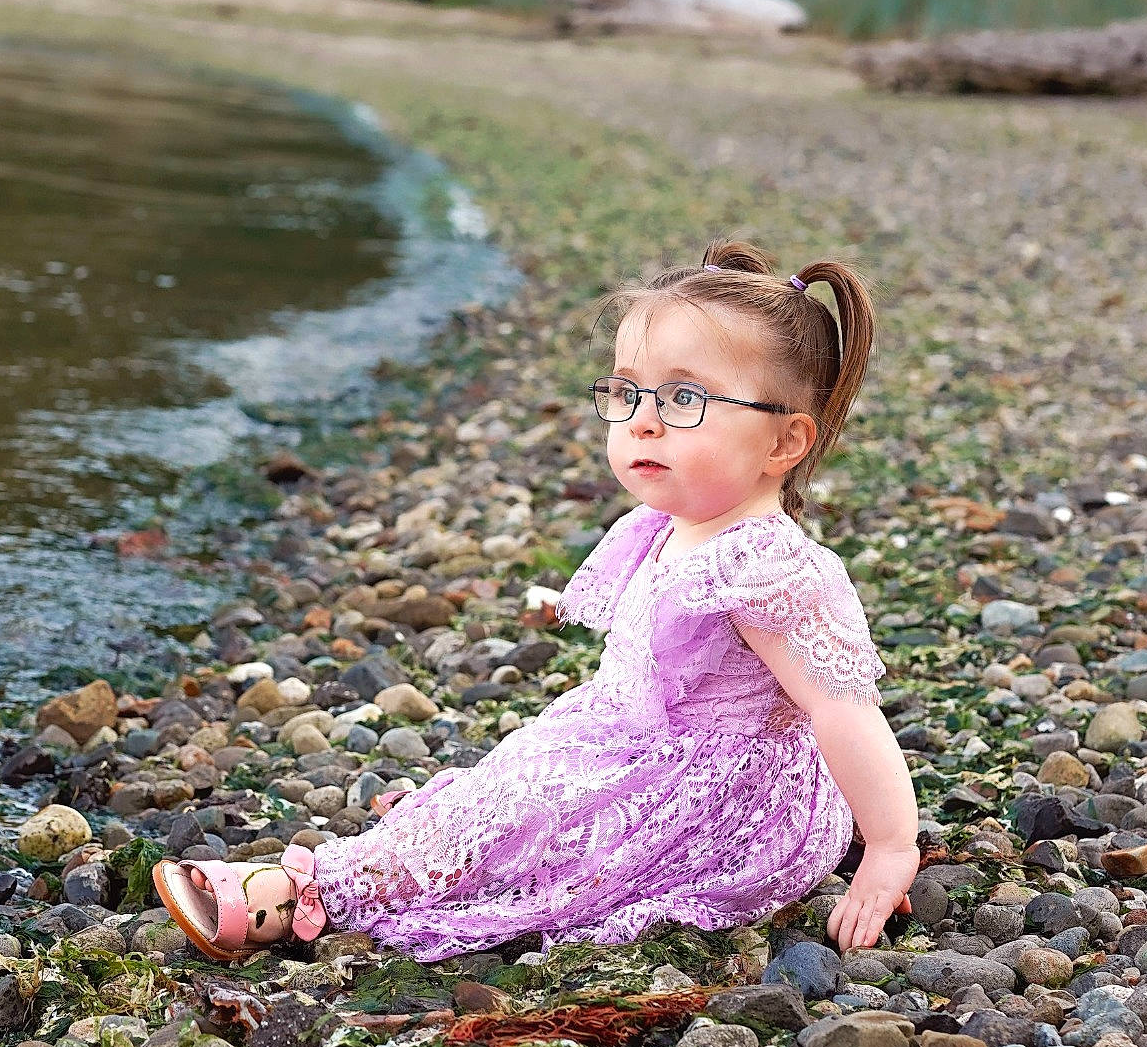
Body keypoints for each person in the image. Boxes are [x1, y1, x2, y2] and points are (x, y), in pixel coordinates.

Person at [153, 239, 919, 965]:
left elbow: (841, 710)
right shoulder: (668, 524)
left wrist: (887, 849)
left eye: (685, 398)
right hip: (634, 743)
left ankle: (308, 891)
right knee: (513, 782)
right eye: (626, 393)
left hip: (724, 806)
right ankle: (412, 855)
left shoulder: (765, 566)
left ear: (783, 444)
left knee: (537, 818)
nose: (642, 419)